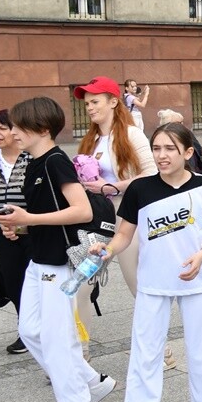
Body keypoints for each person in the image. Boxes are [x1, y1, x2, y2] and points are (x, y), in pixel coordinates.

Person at [98, 123, 202, 402]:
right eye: (156, 148)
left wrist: (201, 255)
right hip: (152, 284)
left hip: (195, 281)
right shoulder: (140, 189)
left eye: (170, 148)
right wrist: (106, 251)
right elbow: (124, 234)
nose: (161, 155)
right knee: (143, 362)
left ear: (187, 152)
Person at [0, 98, 115, 402]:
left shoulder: (55, 162)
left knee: (55, 337)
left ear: (43, 128)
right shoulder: (34, 163)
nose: (13, 132)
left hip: (59, 263)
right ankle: (90, 382)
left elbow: (81, 211)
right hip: (39, 259)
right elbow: (49, 216)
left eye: (18, 126)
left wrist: (29, 219)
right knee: (31, 330)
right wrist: (20, 226)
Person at [74, 77, 157, 361]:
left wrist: (113, 187)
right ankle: (81, 355)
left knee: (137, 285)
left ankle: (161, 350)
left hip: (128, 218)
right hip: (97, 223)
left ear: (113, 101)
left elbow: (151, 174)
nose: (89, 107)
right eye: (87, 103)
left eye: (95, 101)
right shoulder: (90, 140)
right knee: (80, 286)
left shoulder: (132, 135)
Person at [0, 109, 32, 354]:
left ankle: (43, 327)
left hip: (34, 232)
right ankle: (25, 331)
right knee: (14, 282)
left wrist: (21, 226)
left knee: (37, 281)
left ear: (15, 130)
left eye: (2, 128)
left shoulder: (31, 159)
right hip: (1, 234)